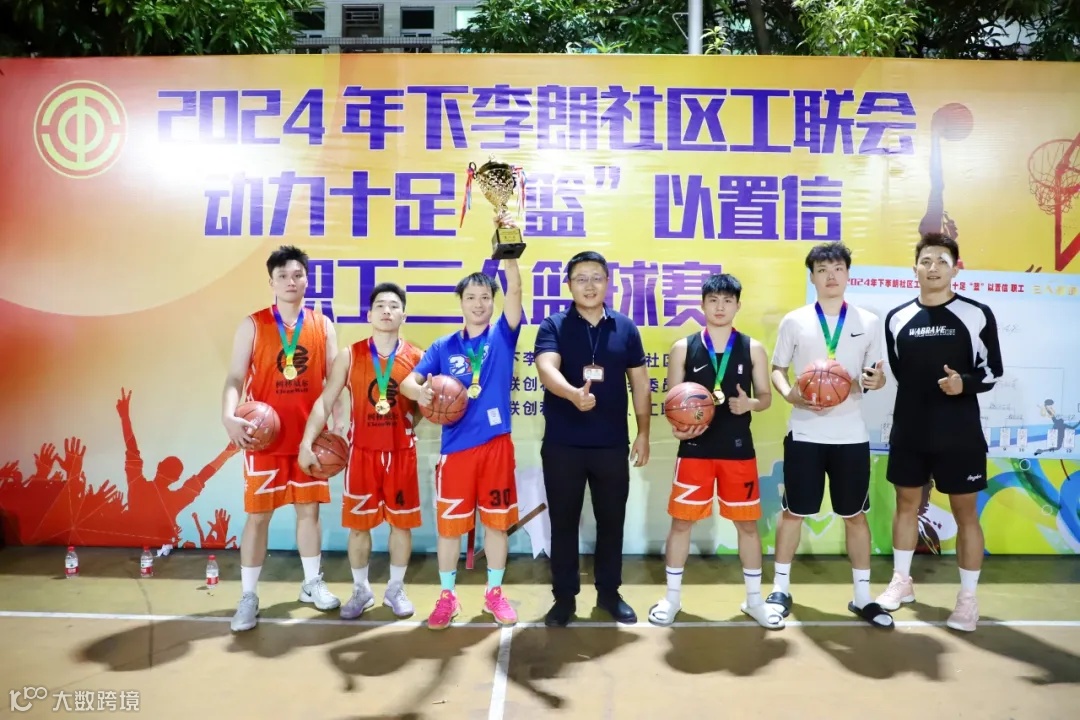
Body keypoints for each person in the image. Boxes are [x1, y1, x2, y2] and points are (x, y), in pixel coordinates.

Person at [876, 233, 1004, 632]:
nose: (933, 268)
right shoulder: (897, 318)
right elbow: (901, 372)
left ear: (955, 269)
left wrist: (963, 384)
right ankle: (901, 581)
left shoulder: (976, 313)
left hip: (959, 433)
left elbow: (993, 371)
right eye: (926, 261)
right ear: (914, 269)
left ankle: (967, 600)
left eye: (942, 261)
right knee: (906, 505)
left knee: (966, 514)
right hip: (910, 430)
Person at [768, 242, 892, 629]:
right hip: (805, 432)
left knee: (854, 516)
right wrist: (789, 394)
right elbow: (777, 368)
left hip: (850, 435)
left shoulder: (868, 321)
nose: (831, 275)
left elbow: (875, 374)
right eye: (822, 270)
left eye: (837, 268)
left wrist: (876, 380)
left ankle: (863, 596)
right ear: (812, 277)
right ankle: (780, 590)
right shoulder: (795, 321)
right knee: (793, 513)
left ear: (848, 274)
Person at [221, 245, 344, 632]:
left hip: (309, 440)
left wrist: (341, 424)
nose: (291, 282)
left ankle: (311, 583)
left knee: (309, 513)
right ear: (271, 282)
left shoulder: (322, 325)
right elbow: (235, 378)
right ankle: (248, 596)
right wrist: (228, 416)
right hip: (264, 440)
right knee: (258, 517)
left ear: (307, 279)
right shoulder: (253, 325)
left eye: (297, 275)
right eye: (283, 276)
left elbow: (335, 383)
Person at [399, 248, 523, 630]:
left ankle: (495, 593)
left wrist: (509, 255)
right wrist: (419, 392)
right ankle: (447, 596)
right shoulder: (443, 347)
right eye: (471, 297)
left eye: (485, 297)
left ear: (493, 302)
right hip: (455, 451)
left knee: (497, 525)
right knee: (450, 527)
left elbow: (516, 292)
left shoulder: (503, 335)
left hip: (496, 445)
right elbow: (406, 383)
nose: (479, 304)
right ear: (461, 303)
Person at [648, 273, 781, 629]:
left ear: (738, 305)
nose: (720, 307)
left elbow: (766, 397)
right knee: (681, 523)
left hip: (738, 451)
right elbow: (672, 401)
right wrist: (679, 426)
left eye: (727, 301)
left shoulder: (752, 348)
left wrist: (750, 404)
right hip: (695, 450)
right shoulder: (683, 347)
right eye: (713, 300)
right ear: (702, 305)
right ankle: (672, 599)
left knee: (747, 526)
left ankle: (755, 601)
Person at [534, 251, 651, 627]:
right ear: (568, 284)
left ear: (608, 283)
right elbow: (546, 367)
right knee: (563, 524)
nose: (589, 285)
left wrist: (644, 433)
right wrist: (572, 394)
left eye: (596, 277)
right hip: (563, 444)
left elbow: (640, 384)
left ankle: (609, 593)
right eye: (581, 278)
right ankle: (564, 598)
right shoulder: (553, 325)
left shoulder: (625, 327)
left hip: (611, 444)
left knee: (611, 522)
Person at [298, 282, 424, 620]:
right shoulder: (350, 355)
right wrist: (306, 443)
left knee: (402, 526)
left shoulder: (418, 357)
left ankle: (395, 589)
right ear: (369, 315)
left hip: (401, 453)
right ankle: (361, 589)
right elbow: (325, 401)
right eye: (380, 305)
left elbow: (426, 407)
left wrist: (412, 422)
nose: (387, 311)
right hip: (362, 454)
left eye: (394, 305)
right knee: (358, 527)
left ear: (403, 315)